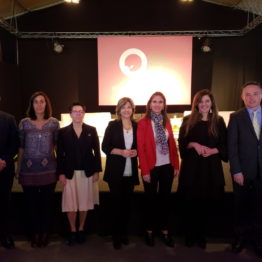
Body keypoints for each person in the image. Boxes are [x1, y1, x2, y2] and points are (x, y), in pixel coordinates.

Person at [177, 89, 227, 249]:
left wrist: (213, 150)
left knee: (206, 203)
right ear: (196, 104)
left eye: (207, 101)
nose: (204, 104)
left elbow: (225, 145)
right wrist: (194, 144)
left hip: (210, 169)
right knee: (190, 202)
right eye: (200, 101)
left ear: (211, 103)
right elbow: (182, 144)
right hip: (192, 169)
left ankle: (201, 235)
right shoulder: (187, 120)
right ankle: (189, 235)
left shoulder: (218, 121)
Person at [137, 91, 179, 247]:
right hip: (151, 167)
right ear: (149, 104)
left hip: (167, 166)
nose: (157, 104)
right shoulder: (143, 123)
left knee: (165, 200)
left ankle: (165, 231)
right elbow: (141, 148)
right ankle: (149, 231)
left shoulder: (166, 121)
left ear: (164, 105)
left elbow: (172, 145)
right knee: (150, 200)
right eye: (154, 101)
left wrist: (176, 164)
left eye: (160, 102)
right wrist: (145, 170)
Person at [18, 91, 59, 248]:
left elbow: (56, 146)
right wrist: (18, 167)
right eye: (36, 101)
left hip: (49, 171)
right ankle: (34, 234)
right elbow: (20, 147)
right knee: (31, 205)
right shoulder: (24, 123)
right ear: (32, 104)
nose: (39, 104)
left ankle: (44, 234)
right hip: (28, 172)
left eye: (42, 101)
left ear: (46, 104)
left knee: (46, 205)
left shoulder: (54, 123)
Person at [57, 102, 101, 246]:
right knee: (71, 204)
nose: (78, 114)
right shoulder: (63, 132)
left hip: (86, 173)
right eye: (75, 111)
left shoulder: (91, 130)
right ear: (70, 114)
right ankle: (73, 230)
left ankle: (81, 228)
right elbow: (60, 155)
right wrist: (61, 173)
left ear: (84, 113)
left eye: (80, 111)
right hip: (69, 173)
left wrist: (96, 170)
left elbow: (96, 152)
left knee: (84, 203)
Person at [228, 81, 262, 257]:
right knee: (240, 207)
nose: (251, 97)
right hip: (242, 172)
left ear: (261, 95)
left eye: (255, 93)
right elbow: (232, 147)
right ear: (242, 97)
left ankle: (258, 240)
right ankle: (240, 238)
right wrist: (236, 171)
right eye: (247, 94)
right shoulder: (236, 117)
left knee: (259, 207)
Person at [102, 97, 139, 250]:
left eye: (129, 107)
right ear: (119, 110)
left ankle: (124, 234)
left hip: (131, 172)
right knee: (116, 205)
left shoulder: (137, 126)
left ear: (132, 110)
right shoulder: (112, 125)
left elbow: (140, 146)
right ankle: (116, 236)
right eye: (123, 107)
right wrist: (121, 152)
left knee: (126, 205)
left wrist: (137, 151)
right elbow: (105, 146)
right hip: (115, 172)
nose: (126, 110)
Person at [0, 98, 19, 249]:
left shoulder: (9, 119)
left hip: (4, 168)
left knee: (4, 202)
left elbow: (15, 144)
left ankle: (5, 235)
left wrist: (3, 160)